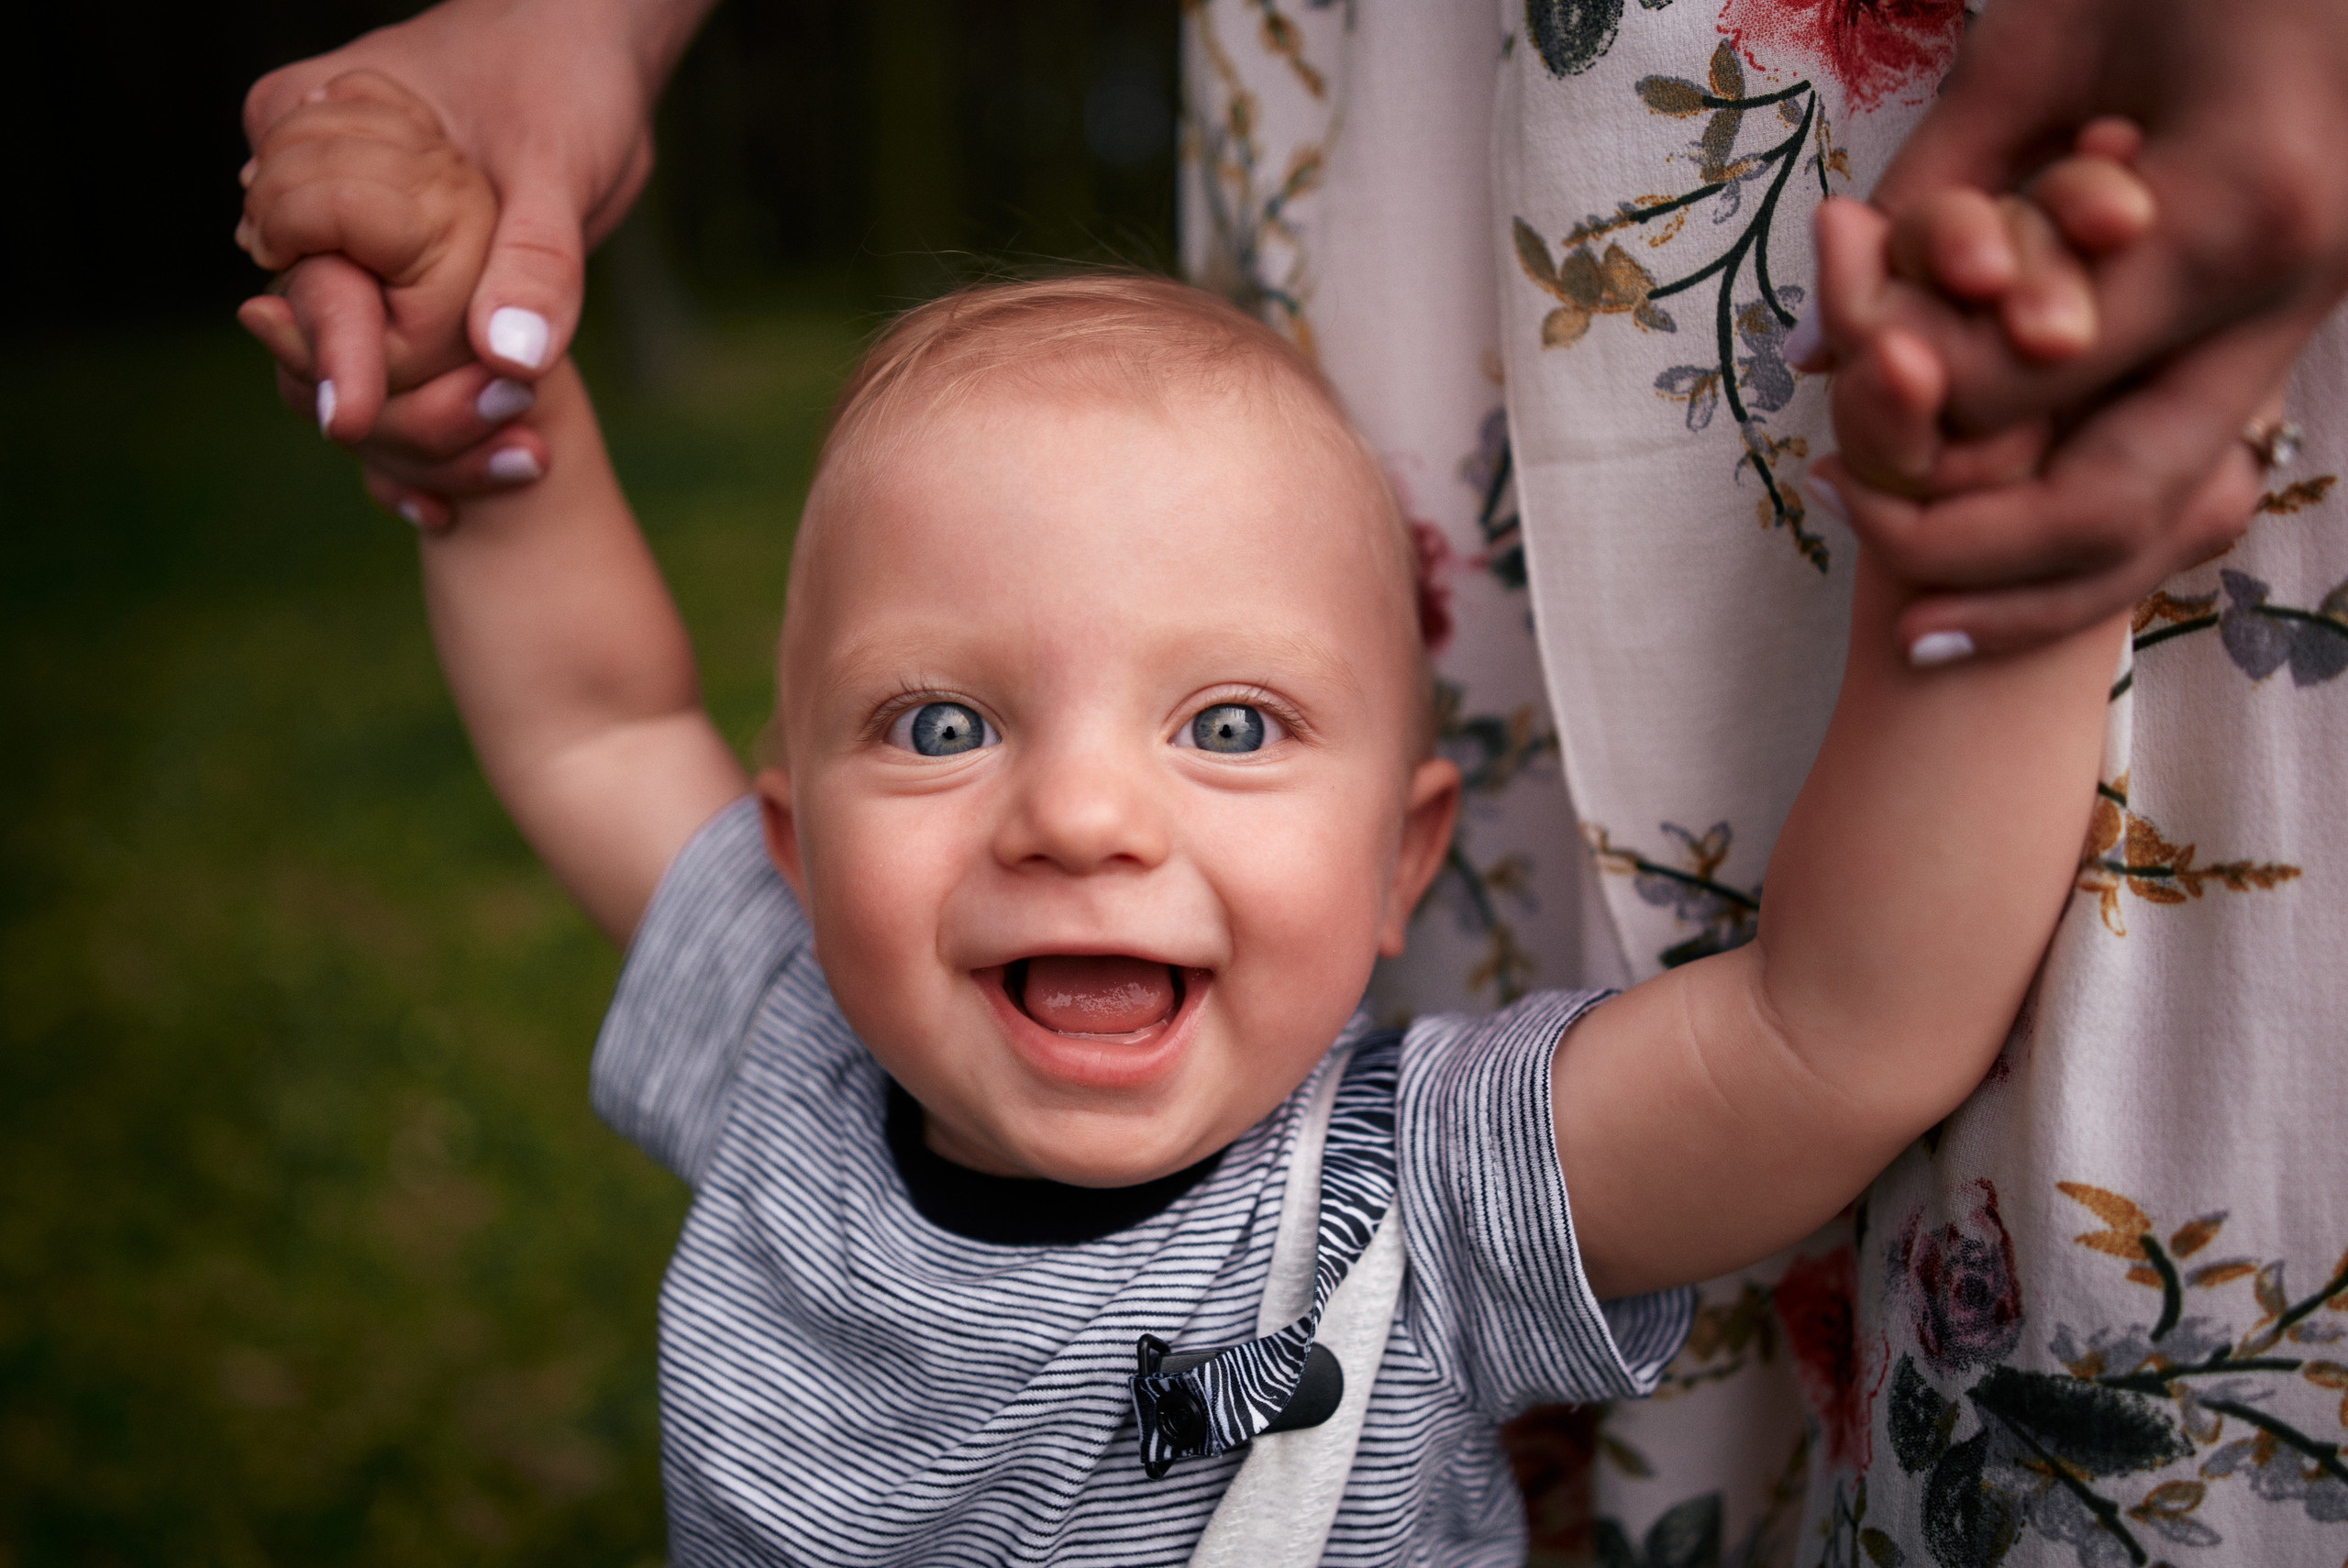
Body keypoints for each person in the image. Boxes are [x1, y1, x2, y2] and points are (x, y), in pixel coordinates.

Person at [241, 2, 2348, 1562]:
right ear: (791, 842)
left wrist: (1961, 599)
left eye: (1226, 726)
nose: (1080, 816)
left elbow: (1832, 1036)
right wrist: (461, 399)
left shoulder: (1411, 1196)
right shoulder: (781, 1044)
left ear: (1395, 860)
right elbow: (598, 724)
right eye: (943, 725)